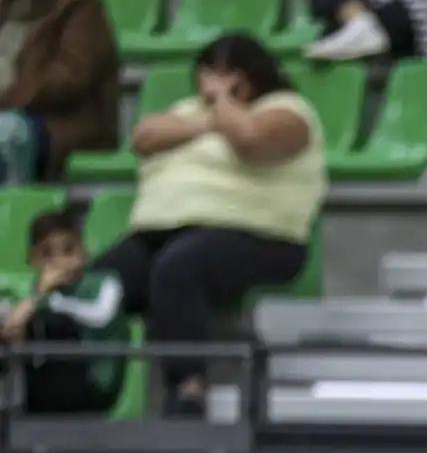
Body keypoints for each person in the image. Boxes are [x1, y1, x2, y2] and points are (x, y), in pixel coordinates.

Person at [94, 33, 326, 419]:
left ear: (252, 76)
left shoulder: (288, 111)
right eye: (208, 73)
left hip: (261, 237)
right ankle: (77, 387)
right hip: (162, 229)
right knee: (98, 284)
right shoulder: (189, 110)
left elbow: (250, 140)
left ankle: (188, 388)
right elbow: (144, 136)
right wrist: (209, 122)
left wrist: (223, 104)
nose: (212, 82)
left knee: (178, 267)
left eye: (226, 73)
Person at [0, 0, 119, 183]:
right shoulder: (6, 9)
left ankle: (13, 213)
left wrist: (7, 99)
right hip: (12, 114)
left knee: (6, 131)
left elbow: (69, 78)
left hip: (58, 125)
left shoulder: (82, 7)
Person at [0, 210, 127, 414]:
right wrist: (39, 297)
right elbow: (11, 326)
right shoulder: (37, 292)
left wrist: (50, 301)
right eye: (47, 254)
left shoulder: (106, 283)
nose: (60, 262)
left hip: (93, 384)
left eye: (68, 251)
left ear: (84, 252)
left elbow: (99, 316)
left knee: (53, 321)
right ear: (33, 260)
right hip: (43, 389)